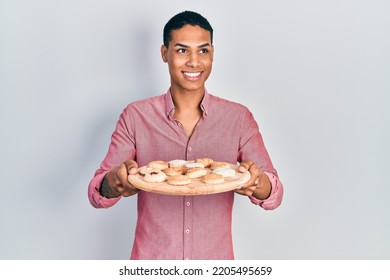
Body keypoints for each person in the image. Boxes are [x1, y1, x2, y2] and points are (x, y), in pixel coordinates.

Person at [88, 10, 283, 260]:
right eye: (182, 50)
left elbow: (274, 194)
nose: (194, 61)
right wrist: (113, 182)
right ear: (164, 53)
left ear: (212, 54)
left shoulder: (238, 118)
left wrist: (258, 183)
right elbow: (97, 192)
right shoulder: (136, 116)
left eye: (203, 50)